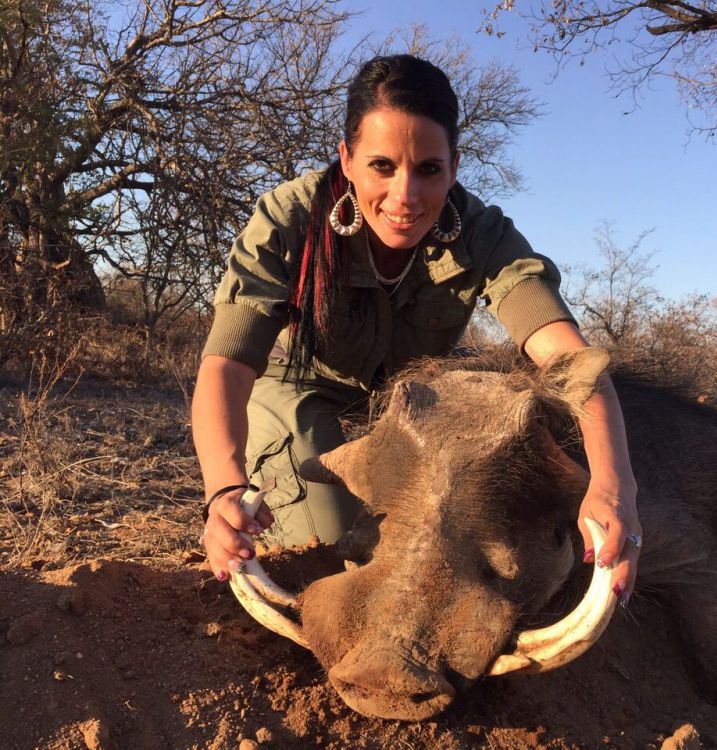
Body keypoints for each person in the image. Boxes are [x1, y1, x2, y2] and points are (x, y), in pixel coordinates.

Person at [192, 54, 642, 606]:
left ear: (453, 167)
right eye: (381, 166)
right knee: (333, 552)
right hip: (299, 389)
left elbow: (571, 362)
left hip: (414, 405)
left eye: (428, 169)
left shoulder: (483, 232)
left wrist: (615, 485)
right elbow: (228, 365)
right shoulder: (287, 219)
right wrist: (224, 488)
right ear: (347, 159)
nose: (405, 197)